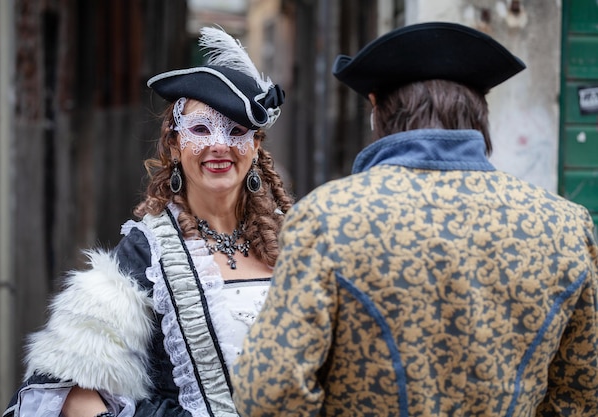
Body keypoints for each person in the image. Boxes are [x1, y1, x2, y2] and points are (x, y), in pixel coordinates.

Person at [232, 21, 598, 416]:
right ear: (480, 113)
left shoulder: (329, 218)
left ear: (376, 109)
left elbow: (268, 393)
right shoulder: (565, 226)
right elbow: (581, 394)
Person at [2, 26, 293, 417]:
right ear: (174, 144)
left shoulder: (297, 239)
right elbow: (69, 388)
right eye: (200, 129)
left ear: (255, 146)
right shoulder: (147, 255)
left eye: (236, 131)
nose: (218, 145)